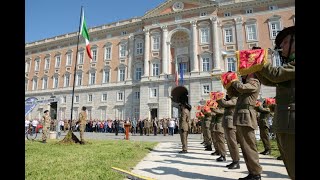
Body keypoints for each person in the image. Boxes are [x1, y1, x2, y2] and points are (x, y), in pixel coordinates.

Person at [255, 26, 295, 180]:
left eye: (285, 42)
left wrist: (260, 60)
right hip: (286, 122)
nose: (281, 46)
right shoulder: (289, 64)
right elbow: (270, 79)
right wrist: (257, 66)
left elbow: (276, 75)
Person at [230, 73, 262, 180]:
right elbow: (235, 92)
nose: (244, 75)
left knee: (249, 146)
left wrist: (234, 80)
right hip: (241, 117)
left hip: (246, 117)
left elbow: (242, 87)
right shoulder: (247, 84)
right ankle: (252, 172)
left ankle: (256, 173)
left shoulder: (254, 82)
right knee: (245, 147)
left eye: (246, 73)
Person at [217, 95, 240, 169]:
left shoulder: (235, 98)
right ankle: (234, 160)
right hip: (227, 123)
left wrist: (218, 98)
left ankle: (236, 161)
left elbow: (225, 104)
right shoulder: (230, 99)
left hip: (231, 124)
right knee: (230, 143)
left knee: (233, 143)